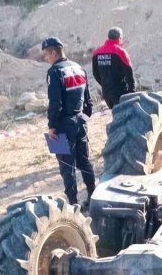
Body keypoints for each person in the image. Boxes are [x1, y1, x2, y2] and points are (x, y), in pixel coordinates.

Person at [42, 37, 97, 210]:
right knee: (84, 161)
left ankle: (74, 204)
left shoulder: (54, 72)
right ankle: (93, 195)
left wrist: (52, 127)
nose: (46, 58)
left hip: (63, 124)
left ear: (53, 52)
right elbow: (88, 99)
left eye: (46, 55)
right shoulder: (78, 68)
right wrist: (84, 116)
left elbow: (55, 103)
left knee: (66, 166)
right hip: (80, 121)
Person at [91, 27, 137, 110]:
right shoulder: (120, 52)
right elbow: (129, 74)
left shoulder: (96, 53)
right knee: (123, 118)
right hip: (120, 92)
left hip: (106, 93)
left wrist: (105, 84)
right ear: (119, 38)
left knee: (114, 115)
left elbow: (95, 73)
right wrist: (132, 92)